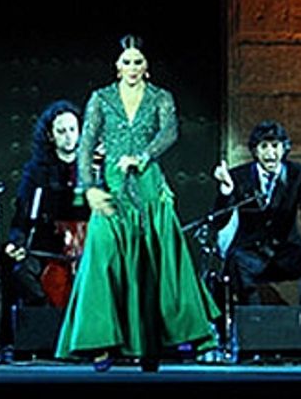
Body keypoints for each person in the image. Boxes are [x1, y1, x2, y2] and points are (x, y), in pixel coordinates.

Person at [55, 34, 219, 371]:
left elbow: (169, 132)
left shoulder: (160, 97)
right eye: (126, 62)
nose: (132, 67)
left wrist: (142, 157)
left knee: (151, 266)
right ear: (117, 66)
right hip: (113, 190)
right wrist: (88, 188)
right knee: (102, 260)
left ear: (146, 66)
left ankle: (150, 345)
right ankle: (100, 343)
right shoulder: (101, 99)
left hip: (149, 189)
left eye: (138, 62)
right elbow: (86, 144)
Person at [212, 120, 301, 306]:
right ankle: (254, 318)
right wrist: (226, 191)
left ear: (284, 148)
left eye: (275, 146)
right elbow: (218, 222)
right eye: (264, 146)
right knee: (236, 261)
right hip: (251, 254)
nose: (270, 153)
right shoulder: (238, 176)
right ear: (255, 151)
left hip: (286, 252)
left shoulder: (298, 174)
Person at [4, 99, 91, 308]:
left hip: (88, 245)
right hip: (49, 246)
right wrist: (17, 243)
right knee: (22, 272)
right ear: (50, 136)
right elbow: (23, 214)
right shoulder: (36, 171)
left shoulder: (93, 167)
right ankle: (47, 315)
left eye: (73, 129)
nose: (69, 136)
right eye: (61, 131)